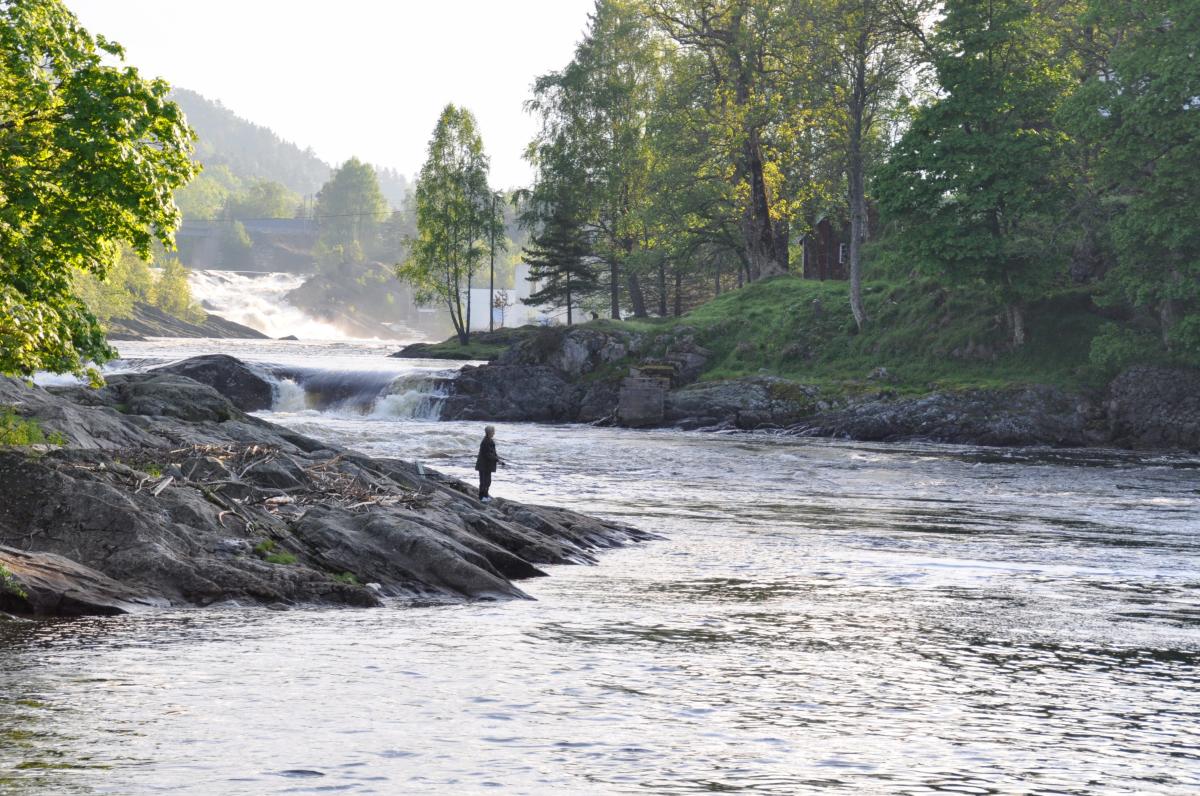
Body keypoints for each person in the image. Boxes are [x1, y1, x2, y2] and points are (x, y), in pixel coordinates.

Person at [475, 425, 501, 502]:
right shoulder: (486, 441)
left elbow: (492, 453)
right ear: (490, 432)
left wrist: (497, 458)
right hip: (484, 465)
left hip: (486, 465)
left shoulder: (488, 440)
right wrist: (497, 460)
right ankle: (482, 497)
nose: (494, 433)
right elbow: (488, 454)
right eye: (493, 431)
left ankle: (485, 495)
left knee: (487, 481)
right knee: (484, 482)